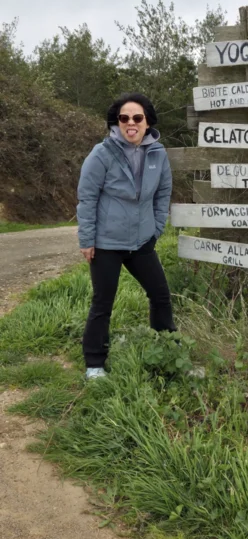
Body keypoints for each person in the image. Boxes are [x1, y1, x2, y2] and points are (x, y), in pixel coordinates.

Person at [77, 92, 176, 379]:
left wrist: (156, 229)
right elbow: (87, 198)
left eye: (137, 117)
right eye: (124, 118)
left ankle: (167, 352)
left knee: (160, 296)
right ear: (116, 122)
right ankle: (94, 363)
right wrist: (87, 240)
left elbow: (163, 194)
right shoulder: (102, 153)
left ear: (147, 122)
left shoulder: (158, 153)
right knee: (103, 302)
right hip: (106, 244)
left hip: (142, 242)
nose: (130, 123)